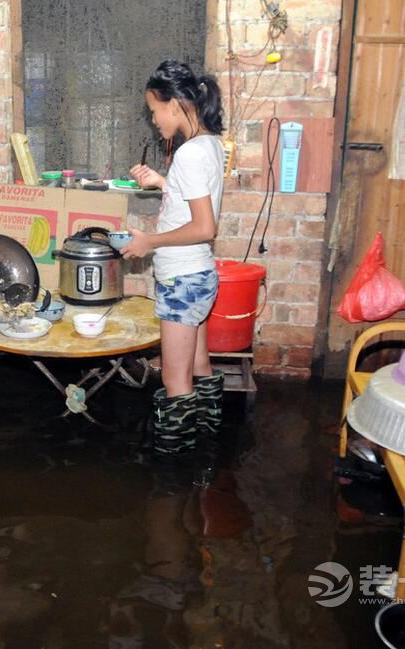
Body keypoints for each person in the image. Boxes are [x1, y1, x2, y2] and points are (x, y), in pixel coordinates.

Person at [119, 60, 225, 461]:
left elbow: (204, 226)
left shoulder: (189, 154)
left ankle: (174, 470)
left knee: (173, 375)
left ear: (176, 104)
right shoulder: (208, 144)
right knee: (198, 365)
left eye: (154, 109)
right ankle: (208, 450)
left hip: (183, 279)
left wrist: (150, 240)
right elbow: (195, 200)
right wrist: (162, 183)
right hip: (198, 276)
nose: (153, 118)